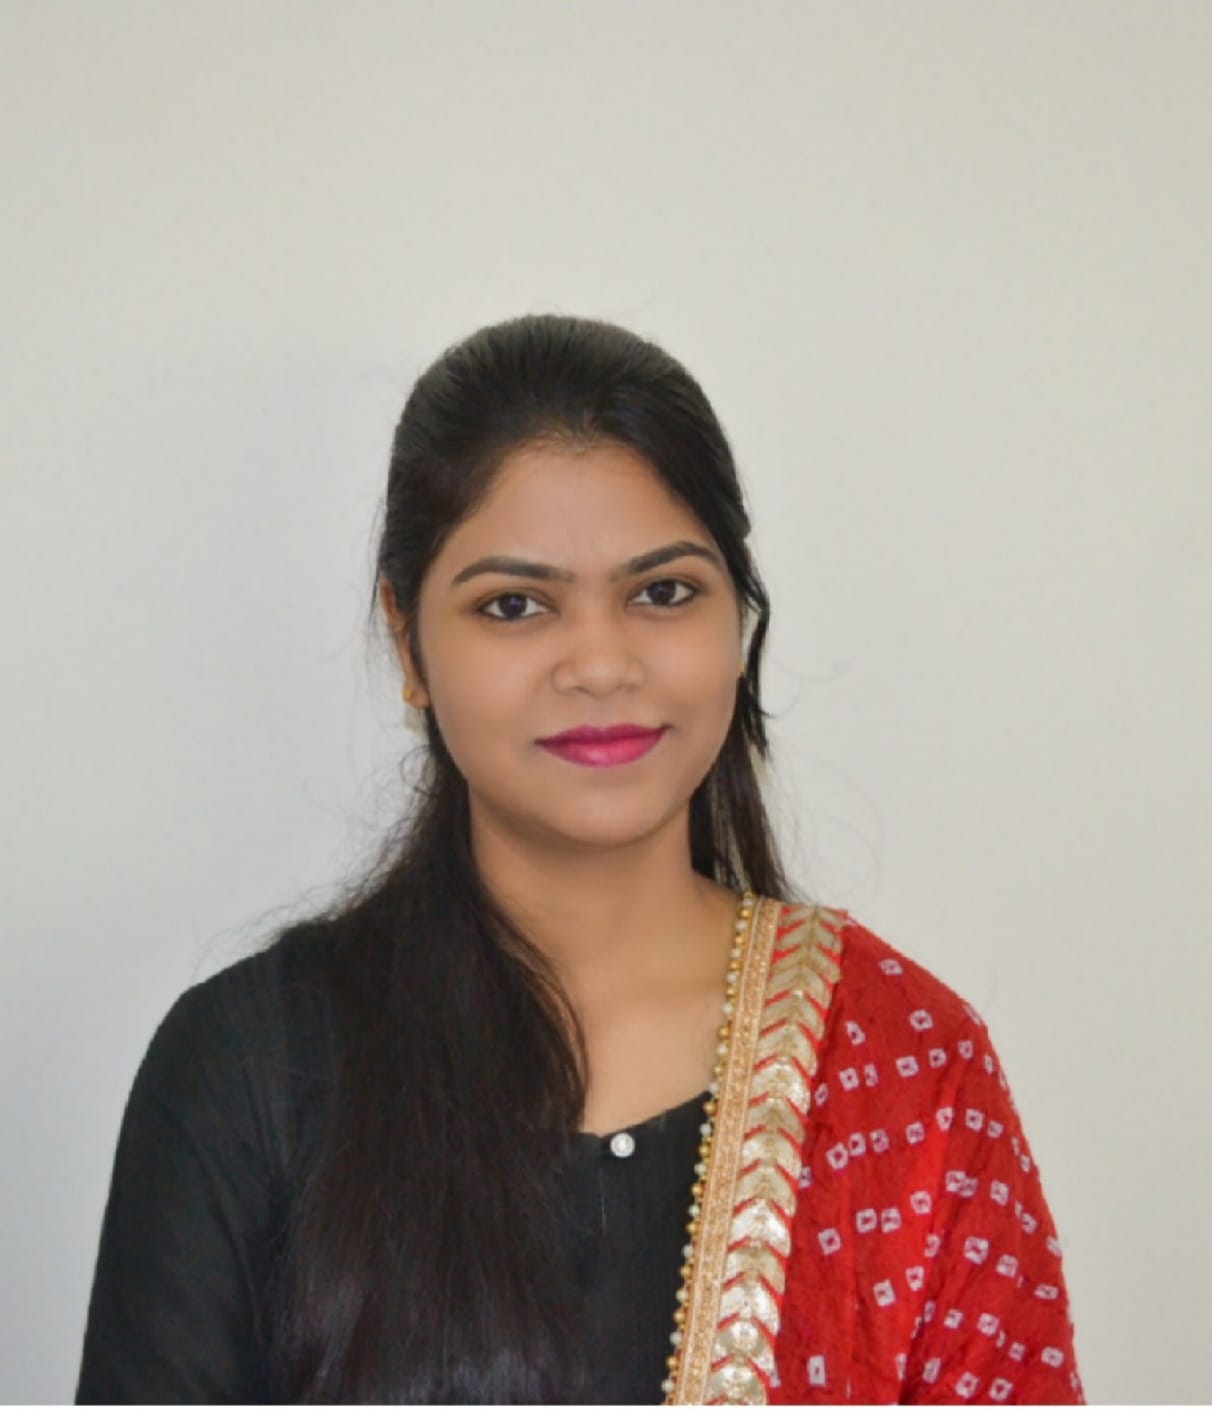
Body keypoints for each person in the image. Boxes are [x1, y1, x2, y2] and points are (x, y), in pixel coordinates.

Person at [75, 313, 1083, 1404]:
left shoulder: (908, 1069)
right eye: (514, 605)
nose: (601, 664)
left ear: (739, 623)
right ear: (408, 641)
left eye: (663, 592)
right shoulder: (250, 1070)